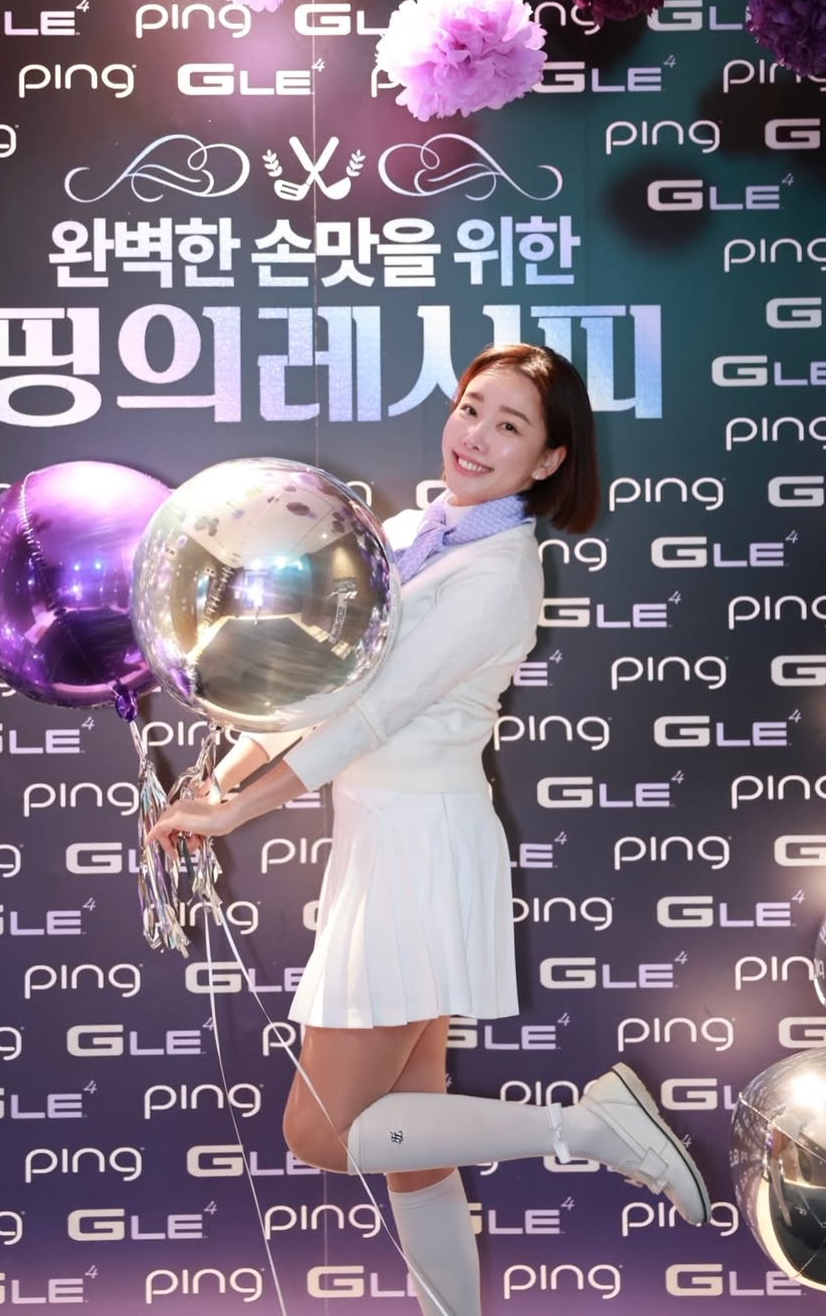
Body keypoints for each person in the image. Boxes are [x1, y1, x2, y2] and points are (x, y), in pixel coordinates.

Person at [146, 343, 710, 1316]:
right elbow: (320, 676)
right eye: (470, 407)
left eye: (510, 425)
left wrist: (237, 808)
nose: (476, 435)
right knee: (414, 1140)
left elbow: (373, 713)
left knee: (323, 1131)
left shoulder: (501, 573)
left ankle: (586, 1127)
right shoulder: (408, 533)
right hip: (385, 842)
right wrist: (222, 774)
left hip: (422, 847)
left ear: (548, 460)